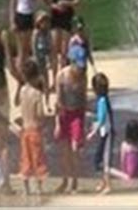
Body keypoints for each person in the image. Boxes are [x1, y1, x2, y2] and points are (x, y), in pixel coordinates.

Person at [54, 44, 88, 194]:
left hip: (77, 114)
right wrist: (57, 123)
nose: (80, 69)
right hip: (64, 114)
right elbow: (58, 101)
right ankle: (65, 179)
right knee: (64, 150)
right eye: (78, 65)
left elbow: (84, 99)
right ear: (71, 62)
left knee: (74, 148)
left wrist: (84, 123)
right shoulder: (61, 76)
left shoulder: (83, 76)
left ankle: (74, 181)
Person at [0, 10, 19, 195]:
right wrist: (22, 80)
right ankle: (6, 184)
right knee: (2, 140)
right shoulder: (1, 35)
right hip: (0, 85)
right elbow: (10, 64)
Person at [43, 0, 80, 80]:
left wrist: (66, 3)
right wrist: (54, 5)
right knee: (54, 48)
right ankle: (54, 78)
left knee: (65, 50)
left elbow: (77, 1)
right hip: (55, 16)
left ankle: (63, 78)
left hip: (67, 16)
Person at [18, 59, 47, 195]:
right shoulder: (37, 94)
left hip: (25, 130)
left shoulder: (23, 91)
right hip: (35, 129)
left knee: (26, 158)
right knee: (37, 158)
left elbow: (19, 106)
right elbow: (40, 113)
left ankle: (26, 188)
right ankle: (39, 187)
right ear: (36, 76)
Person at [86, 73, 115, 194]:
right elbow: (101, 116)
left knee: (105, 159)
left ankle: (107, 185)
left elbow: (102, 118)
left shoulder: (102, 101)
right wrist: (92, 116)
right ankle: (103, 182)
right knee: (100, 158)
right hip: (104, 133)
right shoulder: (103, 100)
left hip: (106, 134)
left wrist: (92, 132)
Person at [9, 0, 37, 70]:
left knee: (27, 48)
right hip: (20, 14)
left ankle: (26, 73)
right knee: (21, 50)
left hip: (29, 14)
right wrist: (12, 20)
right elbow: (13, 0)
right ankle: (21, 76)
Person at [32, 11, 53, 111]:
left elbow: (50, 48)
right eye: (42, 22)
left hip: (44, 59)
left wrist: (50, 61)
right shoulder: (36, 33)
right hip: (37, 60)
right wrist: (35, 62)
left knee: (46, 82)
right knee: (37, 83)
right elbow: (34, 48)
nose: (45, 24)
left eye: (46, 21)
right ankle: (37, 104)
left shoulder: (48, 33)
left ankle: (47, 102)